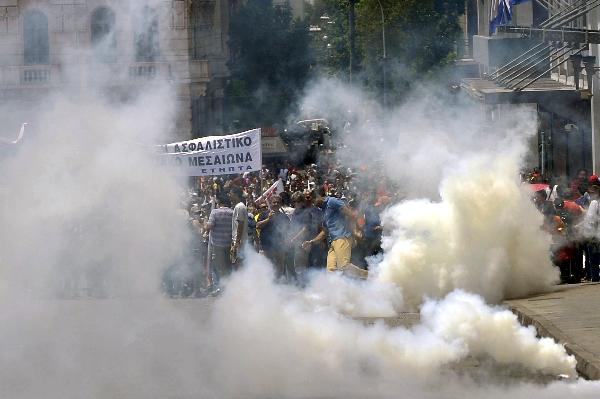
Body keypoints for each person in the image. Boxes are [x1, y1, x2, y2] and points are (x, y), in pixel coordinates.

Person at [302, 188, 367, 278]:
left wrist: (357, 230)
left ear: (317, 195)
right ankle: (339, 291)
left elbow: (351, 215)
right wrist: (311, 242)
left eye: (311, 198)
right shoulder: (323, 211)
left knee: (344, 267)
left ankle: (369, 276)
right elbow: (325, 231)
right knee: (331, 271)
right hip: (332, 242)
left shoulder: (332, 201)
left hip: (342, 237)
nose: (312, 202)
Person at [256, 195, 290, 279]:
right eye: (274, 202)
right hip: (266, 246)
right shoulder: (264, 214)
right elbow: (257, 225)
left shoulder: (284, 217)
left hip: (280, 247)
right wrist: (268, 219)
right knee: (267, 266)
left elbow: (288, 231)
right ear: (270, 203)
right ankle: (268, 285)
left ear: (280, 204)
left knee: (279, 266)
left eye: (278, 202)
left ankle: (279, 284)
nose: (276, 204)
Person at [204, 194, 233, 291]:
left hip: (217, 244)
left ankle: (219, 287)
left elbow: (209, 226)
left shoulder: (215, 212)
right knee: (227, 267)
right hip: (228, 243)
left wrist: (205, 223)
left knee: (217, 267)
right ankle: (228, 286)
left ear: (220, 202)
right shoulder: (232, 212)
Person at [229, 186, 248, 269]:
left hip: (240, 241)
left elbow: (240, 224)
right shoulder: (239, 206)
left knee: (238, 264)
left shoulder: (239, 207)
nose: (229, 195)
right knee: (238, 264)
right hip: (240, 241)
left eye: (231, 194)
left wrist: (237, 242)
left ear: (236, 195)